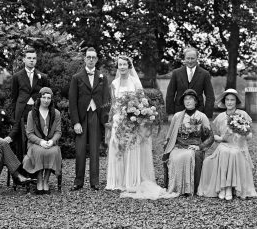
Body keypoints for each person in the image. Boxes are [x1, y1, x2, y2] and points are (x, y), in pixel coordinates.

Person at [105, 55, 178, 199]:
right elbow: (113, 105)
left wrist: (137, 116)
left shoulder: (135, 83)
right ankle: (117, 181)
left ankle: (131, 180)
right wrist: (111, 121)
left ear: (129, 66)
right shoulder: (114, 83)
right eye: (120, 64)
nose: (122, 67)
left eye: (125, 64)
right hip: (118, 120)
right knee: (117, 149)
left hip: (132, 120)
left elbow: (141, 103)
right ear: (117, 66)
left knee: (131, 149)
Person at [198, 89, 257, 200]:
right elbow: (214, 135)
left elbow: (250, 135)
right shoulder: (220, 117)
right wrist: (220, 138)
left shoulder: (242, 114)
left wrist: (243, 133)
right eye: (227, 100)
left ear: (236, 102)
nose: (229, 102)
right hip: (224, 145)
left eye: (232, 100)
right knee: (224, 151)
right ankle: (223, 188)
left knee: (233, 153)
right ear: (224, 101)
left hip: (239, 146)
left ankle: (229, 187)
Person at [68, 47, 110, 191]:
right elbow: (72, 102)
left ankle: (95, 181)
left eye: (93, 57)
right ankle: (78, 181)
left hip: (96, 116)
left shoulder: (102, 78)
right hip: (81, 117)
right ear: (85, 59)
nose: (91, 60)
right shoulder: (77, 77)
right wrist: (76, 122)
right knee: (80, 151)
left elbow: (106, 100)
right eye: (88, 57)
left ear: (97, 59)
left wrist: (105, 120)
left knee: (94, 150)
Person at [163, 89, 214, 196]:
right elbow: (170, 135)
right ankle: (176, 186)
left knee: (192, 155)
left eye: (191, 99)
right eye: (186, 99)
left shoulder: (202, 116)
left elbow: (210, 137)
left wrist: (200, 147)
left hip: (194, 146)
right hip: (179, 146)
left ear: (196, 101)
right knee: (173, 156)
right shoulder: (177, 116)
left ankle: (192, 188)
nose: (188, 101)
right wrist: (167, 146)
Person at [11, 47, 50, 161]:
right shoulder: (17, 76)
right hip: (21, 111)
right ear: (24, 59)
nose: (31, 60)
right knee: (20, 141)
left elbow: (46, 96)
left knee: (36, 138)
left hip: (36, 111)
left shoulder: (43, 77)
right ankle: (20, 171)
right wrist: (13, 118)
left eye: (34, 58)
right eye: (29, 58)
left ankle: (34, 170)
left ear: (36, 60)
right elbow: (13, 97)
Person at [22, 87, 62, 195]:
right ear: (39, 98)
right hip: (35, 143)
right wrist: (41, 142)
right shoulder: (32, 113)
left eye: (49, 98)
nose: (46, 100)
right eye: (44, 97)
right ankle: (39, 180)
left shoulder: (56, 113)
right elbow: (29, 133)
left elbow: (58, 132)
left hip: (50, 143)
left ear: (51, 99)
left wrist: (52, 141)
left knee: (53, 151)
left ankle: (46, 181)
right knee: (39, 152)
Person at [166, 46, 215, 122]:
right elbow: (170, 94)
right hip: (179, 112)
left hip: (198, 112)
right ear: (184, 59)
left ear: (197, 59)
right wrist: (170, 113)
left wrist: (207, 115)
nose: (190, 61)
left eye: (192, 58)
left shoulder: (205, 74)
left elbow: (210, 96)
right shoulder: (176, 73)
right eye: (188, 58)